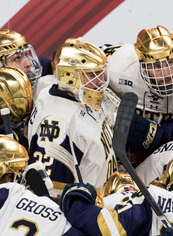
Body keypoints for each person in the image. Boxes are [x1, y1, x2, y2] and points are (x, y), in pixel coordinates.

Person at [105, 25, 173, 160]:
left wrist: (163, 133)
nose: (166, 73)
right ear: (141, 64)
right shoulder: (117, 66)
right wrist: (113, 115)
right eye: (156, 66)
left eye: (170, 62)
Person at [27, 38, 116, 197]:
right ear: (69, 76)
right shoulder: (60, 122)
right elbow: (51, 193)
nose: (101, 81)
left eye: (101, 73)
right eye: (92, 74)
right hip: (88, 205)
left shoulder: (70, 94)